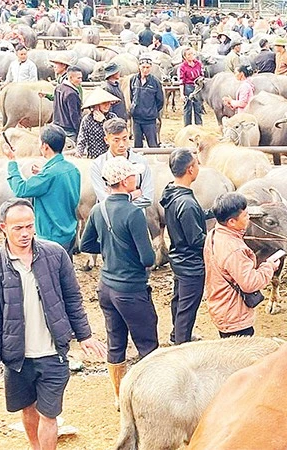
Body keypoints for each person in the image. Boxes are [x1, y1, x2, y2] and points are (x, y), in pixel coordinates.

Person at [0, 198, 106, 450]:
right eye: (18, 228)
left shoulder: (55, 255)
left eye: (29, 226)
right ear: (3, 227)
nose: (25, 233)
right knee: (28, 409)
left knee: (49, 414)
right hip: (18, 357)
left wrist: (85, 335)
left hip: (52, 353)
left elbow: (72, 298)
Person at [80, 156, 158, 407]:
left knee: (116, 343)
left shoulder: (98, 209)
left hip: (106, 287)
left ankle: (119, 396)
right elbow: (147, 258)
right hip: (131, 289)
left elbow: (85, 244)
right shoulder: (134, 213)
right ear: (125, 181)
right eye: (133, 175)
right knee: (147, 343)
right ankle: (149, 396)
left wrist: (109, 250)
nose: (137, 178)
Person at [203, 192, 278, 338]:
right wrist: (269, 267)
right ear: (231, 222)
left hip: (221, 306)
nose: (249, 217)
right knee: (240, 350)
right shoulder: (234, 249)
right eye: (245, 215)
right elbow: (250, 283)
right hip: (234, 315)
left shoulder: (214, 234)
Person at [2, 124, 80, 256]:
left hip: (51, 237)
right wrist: (42, 173)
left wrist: (12, 161)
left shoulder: (48, 175)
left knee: (50, 268)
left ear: (45, 146)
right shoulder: (72, 169)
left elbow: (21, 189)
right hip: (69, 232)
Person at [160, 149, 207, 345]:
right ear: (190, 169)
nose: (198, 167)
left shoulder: (171, 192)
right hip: (191, 264)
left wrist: (215, 212)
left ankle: (176, 335)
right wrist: (216, 240)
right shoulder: (187, 203)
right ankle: (181, 344)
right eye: (196, 164)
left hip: (178, 258)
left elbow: (191, 219)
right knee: (187, 308)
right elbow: (196, 240)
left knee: (179, 301)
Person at [90, 117, 154, 208]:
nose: (121, 145)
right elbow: (104, 199)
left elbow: (147, 198)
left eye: (125, 139)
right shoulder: (98, 165)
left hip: (136, 214)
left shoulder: (141, 161)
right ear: (106, 140)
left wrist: (116, 198)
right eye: (116, 140)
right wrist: (133, 195)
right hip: (110, 215)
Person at [129, 56, 164, 148]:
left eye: (147, 67)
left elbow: (160, 101)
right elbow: (132, 96)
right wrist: (134, 108)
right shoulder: (133, 80)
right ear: (139, 67)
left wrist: (151, 111)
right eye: (143, 67)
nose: (145, 70)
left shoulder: (155, 82)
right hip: (136, 119)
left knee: (152, 145)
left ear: (151, 67)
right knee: (137, 145)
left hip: (149, 120)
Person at [76, 88, 120, 159]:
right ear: (96, 105)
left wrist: (103, 121)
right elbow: (82, 139)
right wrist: (79, 153)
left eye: (108, 103)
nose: (107, 105)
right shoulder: (87, 119)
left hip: (110, 157)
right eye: (104, 103)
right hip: (93, 157)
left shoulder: (112, 117)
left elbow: (116, 134)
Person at [51, 65, 83, 142]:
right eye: (78, 78)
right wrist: (79, 130)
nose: (81, 80)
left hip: (57, 126)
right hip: (69, 130)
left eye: (81, 78)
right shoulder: (71, 94)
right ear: (70, 78)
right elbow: (74, 115)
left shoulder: (58, 88)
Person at [178, 48, 203, 126]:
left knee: (198, 107)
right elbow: (181, 81)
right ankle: (187, 126)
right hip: (188, 87)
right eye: (189, 54)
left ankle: (199, 126)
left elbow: (202, 76)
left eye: (192, 54)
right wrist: (182, 94)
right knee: (188, 108)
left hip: (198, 87)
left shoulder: (198, 64)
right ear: (184, 56)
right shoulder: (182, 67)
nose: (191, 56)